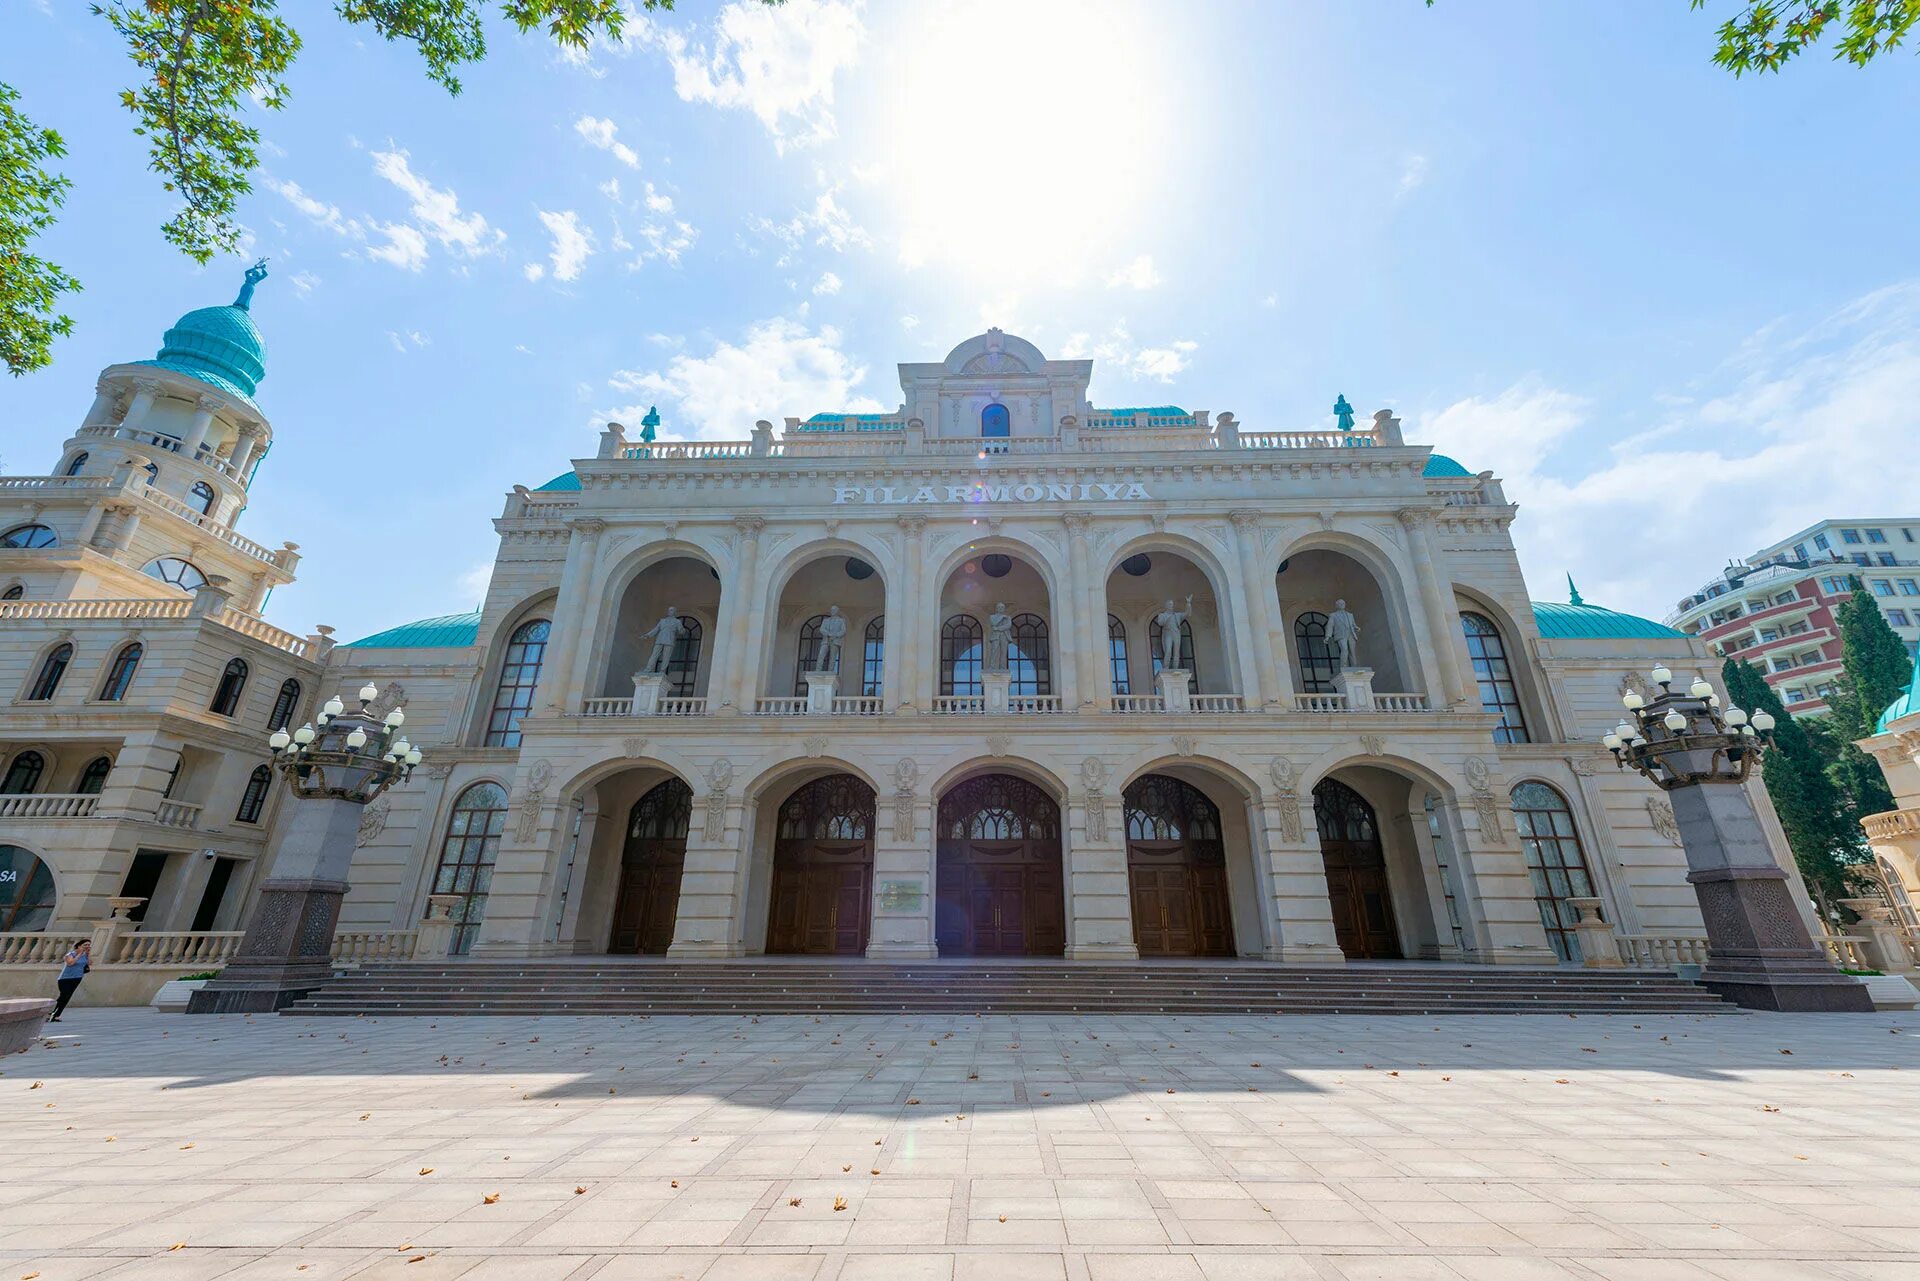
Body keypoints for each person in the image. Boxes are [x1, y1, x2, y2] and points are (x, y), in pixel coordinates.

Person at [50, 939, 89, 1021]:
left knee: (67, 997)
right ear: (79, 946)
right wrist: (79, 954)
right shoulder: (70, 954)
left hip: (77, 978)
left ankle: (56, 1015)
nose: (87, 947)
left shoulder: (85, 955)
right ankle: (51, 1012)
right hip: (65, 979)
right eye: (85, 945)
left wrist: (88, 954)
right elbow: (70, 963)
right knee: (63, 996)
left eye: (88, 945)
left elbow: (90, 963)